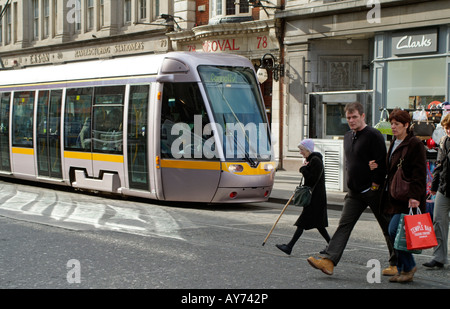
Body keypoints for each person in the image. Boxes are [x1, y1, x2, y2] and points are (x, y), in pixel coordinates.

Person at [307, 102, 397, 276]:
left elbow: (382, 162)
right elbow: (352, 162)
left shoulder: (373, 135)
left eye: (355, 117)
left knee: (387, 226)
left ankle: (398, 263)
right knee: (344, 225)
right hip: (354, 192)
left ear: (363, 116)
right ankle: (329, 261)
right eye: (348, 117)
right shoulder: (348, 136)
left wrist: (375, 184)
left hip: (373, 191)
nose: (351, 120)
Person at [375, 109, 426, 282]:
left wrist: (415, 197)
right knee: (398, 233)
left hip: (408, 197)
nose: (393, 127)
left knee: (394, 229)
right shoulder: (394, 142)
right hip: (394, 195)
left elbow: (420, 173)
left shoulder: (414, 144)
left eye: (397, 124)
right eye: (392, 123)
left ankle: (409, 266)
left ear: (406, 125)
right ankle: (403, 270)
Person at [275, 139, 330, 255]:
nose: (300, 152)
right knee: (319, 225)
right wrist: (306, 167)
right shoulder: (312, 160)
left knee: (302, 222)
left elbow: (312, 178)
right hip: (315, 197)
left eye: (302, 150)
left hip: (315, 198)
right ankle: (333, 246)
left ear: (308, 149)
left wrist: (303, 169)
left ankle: (289, 247)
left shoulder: (315, 160)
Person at [425, 113, 450, 269]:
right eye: (447, 128)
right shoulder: (443, 141)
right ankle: (439, 258)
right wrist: (433, 188)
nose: (448, 131)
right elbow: (439, 165)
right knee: (439, 221)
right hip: (444, 188)